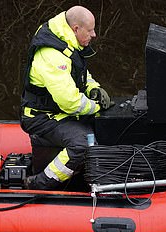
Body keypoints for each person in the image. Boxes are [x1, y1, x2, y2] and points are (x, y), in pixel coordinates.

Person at [20, 6, 113, 190]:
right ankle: (40, 183)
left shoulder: (66, 39)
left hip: (58, 111)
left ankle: (85, 175)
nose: (94, 34)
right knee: (82, 142)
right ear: (76, 29)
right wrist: (96, 107)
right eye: (90, 30)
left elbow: (80, 73)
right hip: (41, 117)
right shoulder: (52, 55)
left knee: (101, 128)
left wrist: (94, 89)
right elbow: (70, 102)